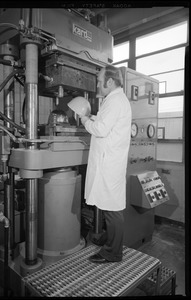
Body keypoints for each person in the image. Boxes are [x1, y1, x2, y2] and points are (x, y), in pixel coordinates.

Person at [80, 65, 132, 263]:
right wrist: (93, 117)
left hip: (109, 164)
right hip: (109, 162)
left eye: (100, 81)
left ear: (110, 82)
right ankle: (108, 239)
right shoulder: (114, 99)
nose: (98, 85)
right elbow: (106, 122)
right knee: (108, 205)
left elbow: (101, 129)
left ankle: (113, 252)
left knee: (112, 210)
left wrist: (85, 120)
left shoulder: (115, 101)